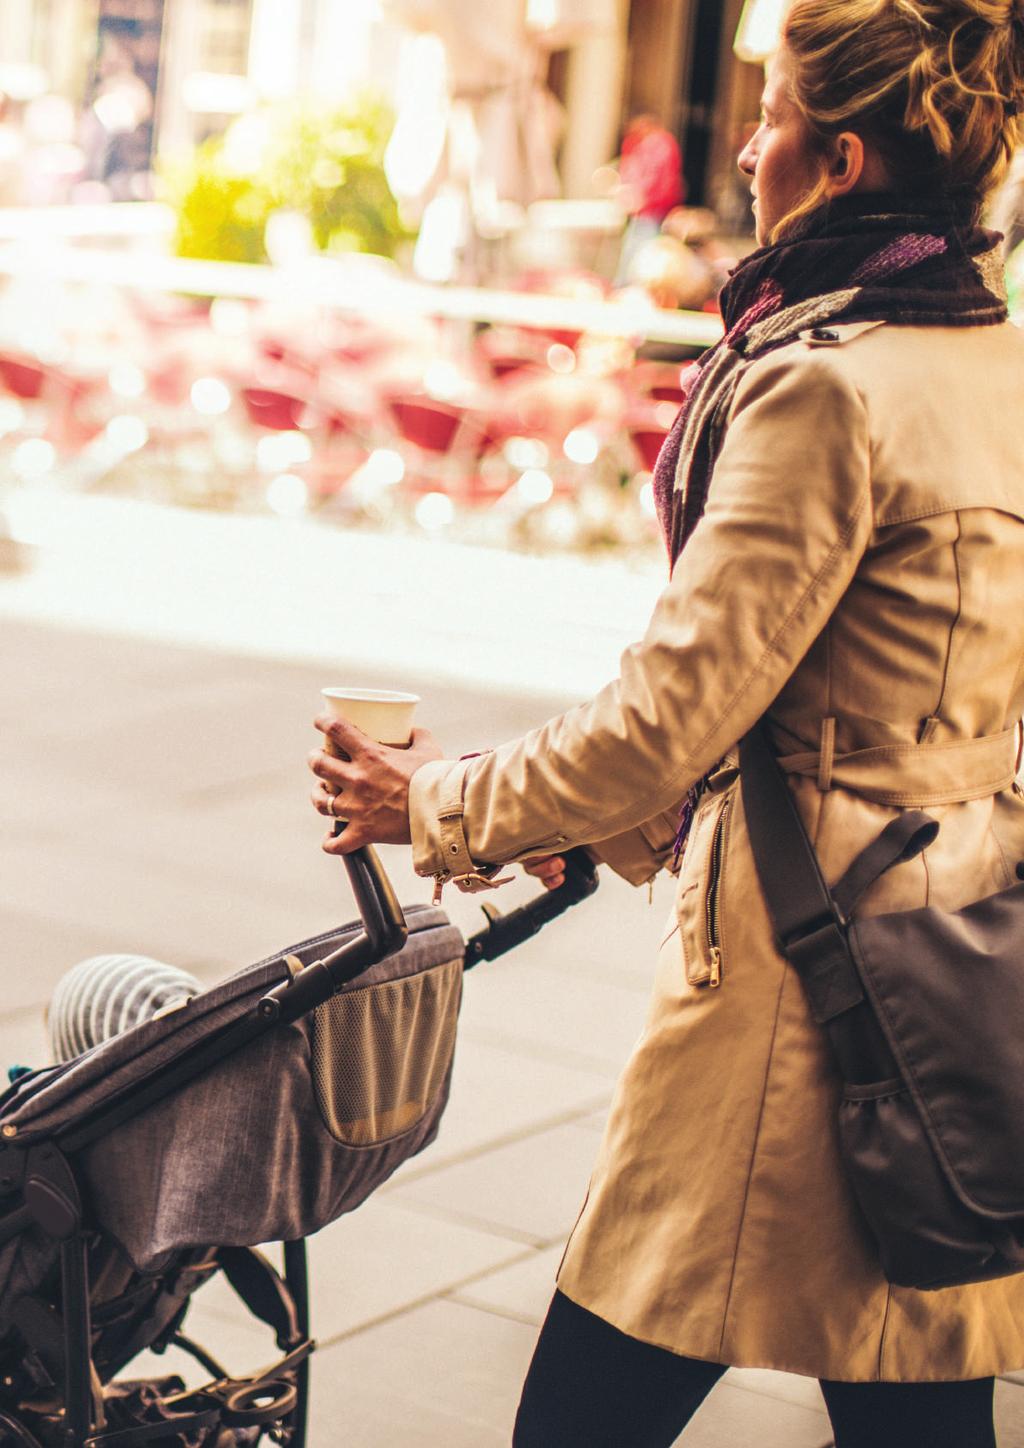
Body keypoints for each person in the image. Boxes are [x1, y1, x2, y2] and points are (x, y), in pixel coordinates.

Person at [307, 1, 1024, 1442]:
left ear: (833, 163)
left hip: (803, 991)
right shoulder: (991, 364)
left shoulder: (826, 387)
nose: (743, 147)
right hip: (953, 952)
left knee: (584, 1407)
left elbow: (668, 715)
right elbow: (861, 692)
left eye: (763, 118)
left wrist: (433, 803)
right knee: (912, 1392)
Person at [615, 113, 685, 285]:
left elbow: (654, 177)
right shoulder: (655, 144)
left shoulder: (657, 144)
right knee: (640, 245)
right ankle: (631, 282)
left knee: (641, 247)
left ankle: (632, 283)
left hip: (650, 208)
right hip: (650, 207)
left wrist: (640, 197)